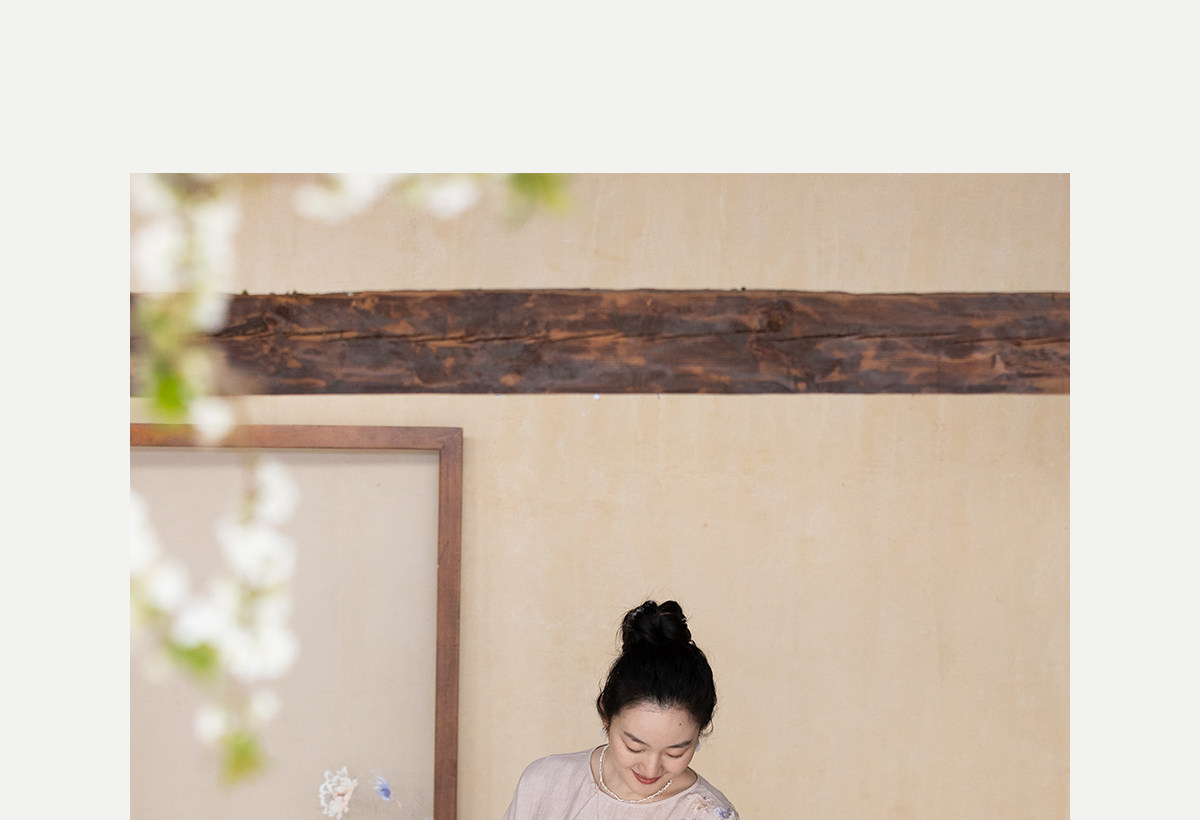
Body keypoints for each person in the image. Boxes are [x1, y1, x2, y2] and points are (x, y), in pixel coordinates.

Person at [502, 600, 738, 819]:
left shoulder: (707, 814)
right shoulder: (545, 783)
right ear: (606, 714)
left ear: (699, 732)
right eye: (634, 747)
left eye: (675, 753)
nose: (651, 769)